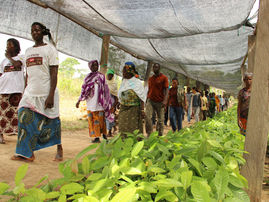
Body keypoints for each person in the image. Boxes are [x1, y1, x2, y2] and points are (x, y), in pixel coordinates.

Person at [12, 22, 63, 162]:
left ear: (43, 32)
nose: (35, 33)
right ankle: (26, 153)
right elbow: (28, 74)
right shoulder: (28, 51)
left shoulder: (50, 50)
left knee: (53, 121)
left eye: (37, 30)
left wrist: (51, 95)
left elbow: (54, 74)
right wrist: (24, 91)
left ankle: (59, 148)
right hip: (30, 93)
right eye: (32, 31)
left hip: (46, 93)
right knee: (23, 116)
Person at [76, 60, 112, 143]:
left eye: (96, 65)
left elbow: (106, 89)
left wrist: (107, 101)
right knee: (92, 119)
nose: (95, 67)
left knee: (101, 119)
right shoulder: (87, 77)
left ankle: (104, 136)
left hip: (100, 103)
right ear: (90, 67)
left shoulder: (101, 76)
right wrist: (79, 100)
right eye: (93, 66)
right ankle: (96, 138)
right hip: (90, 102)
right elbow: (83, 90)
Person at [0, 38, 24, 144]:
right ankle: (0, 135)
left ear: (15, 46)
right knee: (2, 114)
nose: (7, 46)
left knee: (17, 114)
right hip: (4, 90)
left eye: (9, 44)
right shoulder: (3, 61)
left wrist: (9, 57)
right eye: (6, 44)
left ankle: (19, 134)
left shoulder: (21, 58)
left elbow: (17, 65)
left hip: (16, 90)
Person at [118, 62, 146, 135]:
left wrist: (142, 110)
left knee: (133, 128)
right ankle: (123, 143)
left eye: (124, 71)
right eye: (123, 71)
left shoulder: (137, 82)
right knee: (122, 126)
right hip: (123, 108)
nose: (123, 73)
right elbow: (120, 94)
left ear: (130, 72)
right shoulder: (124, 81)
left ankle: (133, 144)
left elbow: (142, 97)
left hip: (134, 109)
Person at [145, 63, 169, 136]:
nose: (155, 68)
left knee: (161, 120)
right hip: (150, 100)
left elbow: (166, 90)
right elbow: (149, 90)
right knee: (147, 117)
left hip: (160, 102)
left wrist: (165, 100)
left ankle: (159, 135)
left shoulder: (164, 78)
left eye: (156, 67)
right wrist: (146, 99)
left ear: (159, 68)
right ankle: (149, 134)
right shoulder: (150, 79)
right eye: (154, 67)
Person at [106, 69, 118, 137]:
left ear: (113, 76)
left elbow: (116, 96)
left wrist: (114, 106)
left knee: (110, 118)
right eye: (108, 75)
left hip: (112, 104)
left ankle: (109, 132)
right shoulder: (104, 83)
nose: (109, 76)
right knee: (107, 118)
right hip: (105, 104)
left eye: (111, 75)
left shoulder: (114, 84)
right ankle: (114, 128)